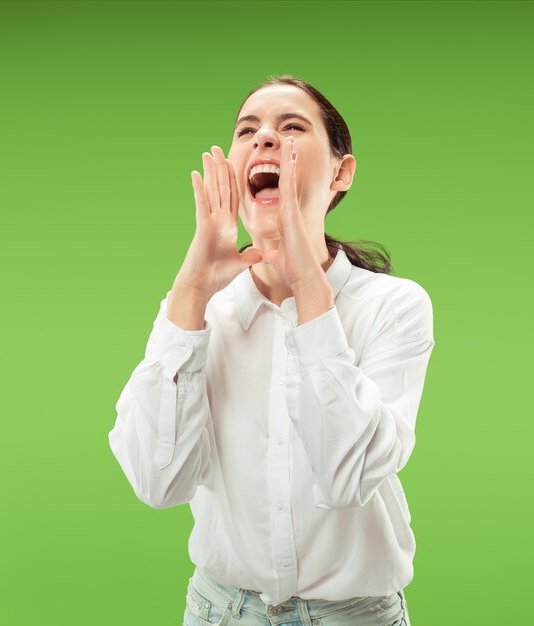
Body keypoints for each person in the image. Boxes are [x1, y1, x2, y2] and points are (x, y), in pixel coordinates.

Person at [108, 75, 435, 626]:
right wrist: (189, 293)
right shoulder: (200, 309)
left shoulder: (393, 306)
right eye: (247, 129)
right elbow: (157, 482)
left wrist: (310, 286)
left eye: (291, 127)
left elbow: (345, 478)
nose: (264, 138)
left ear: (340, 172)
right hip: (218, 611)